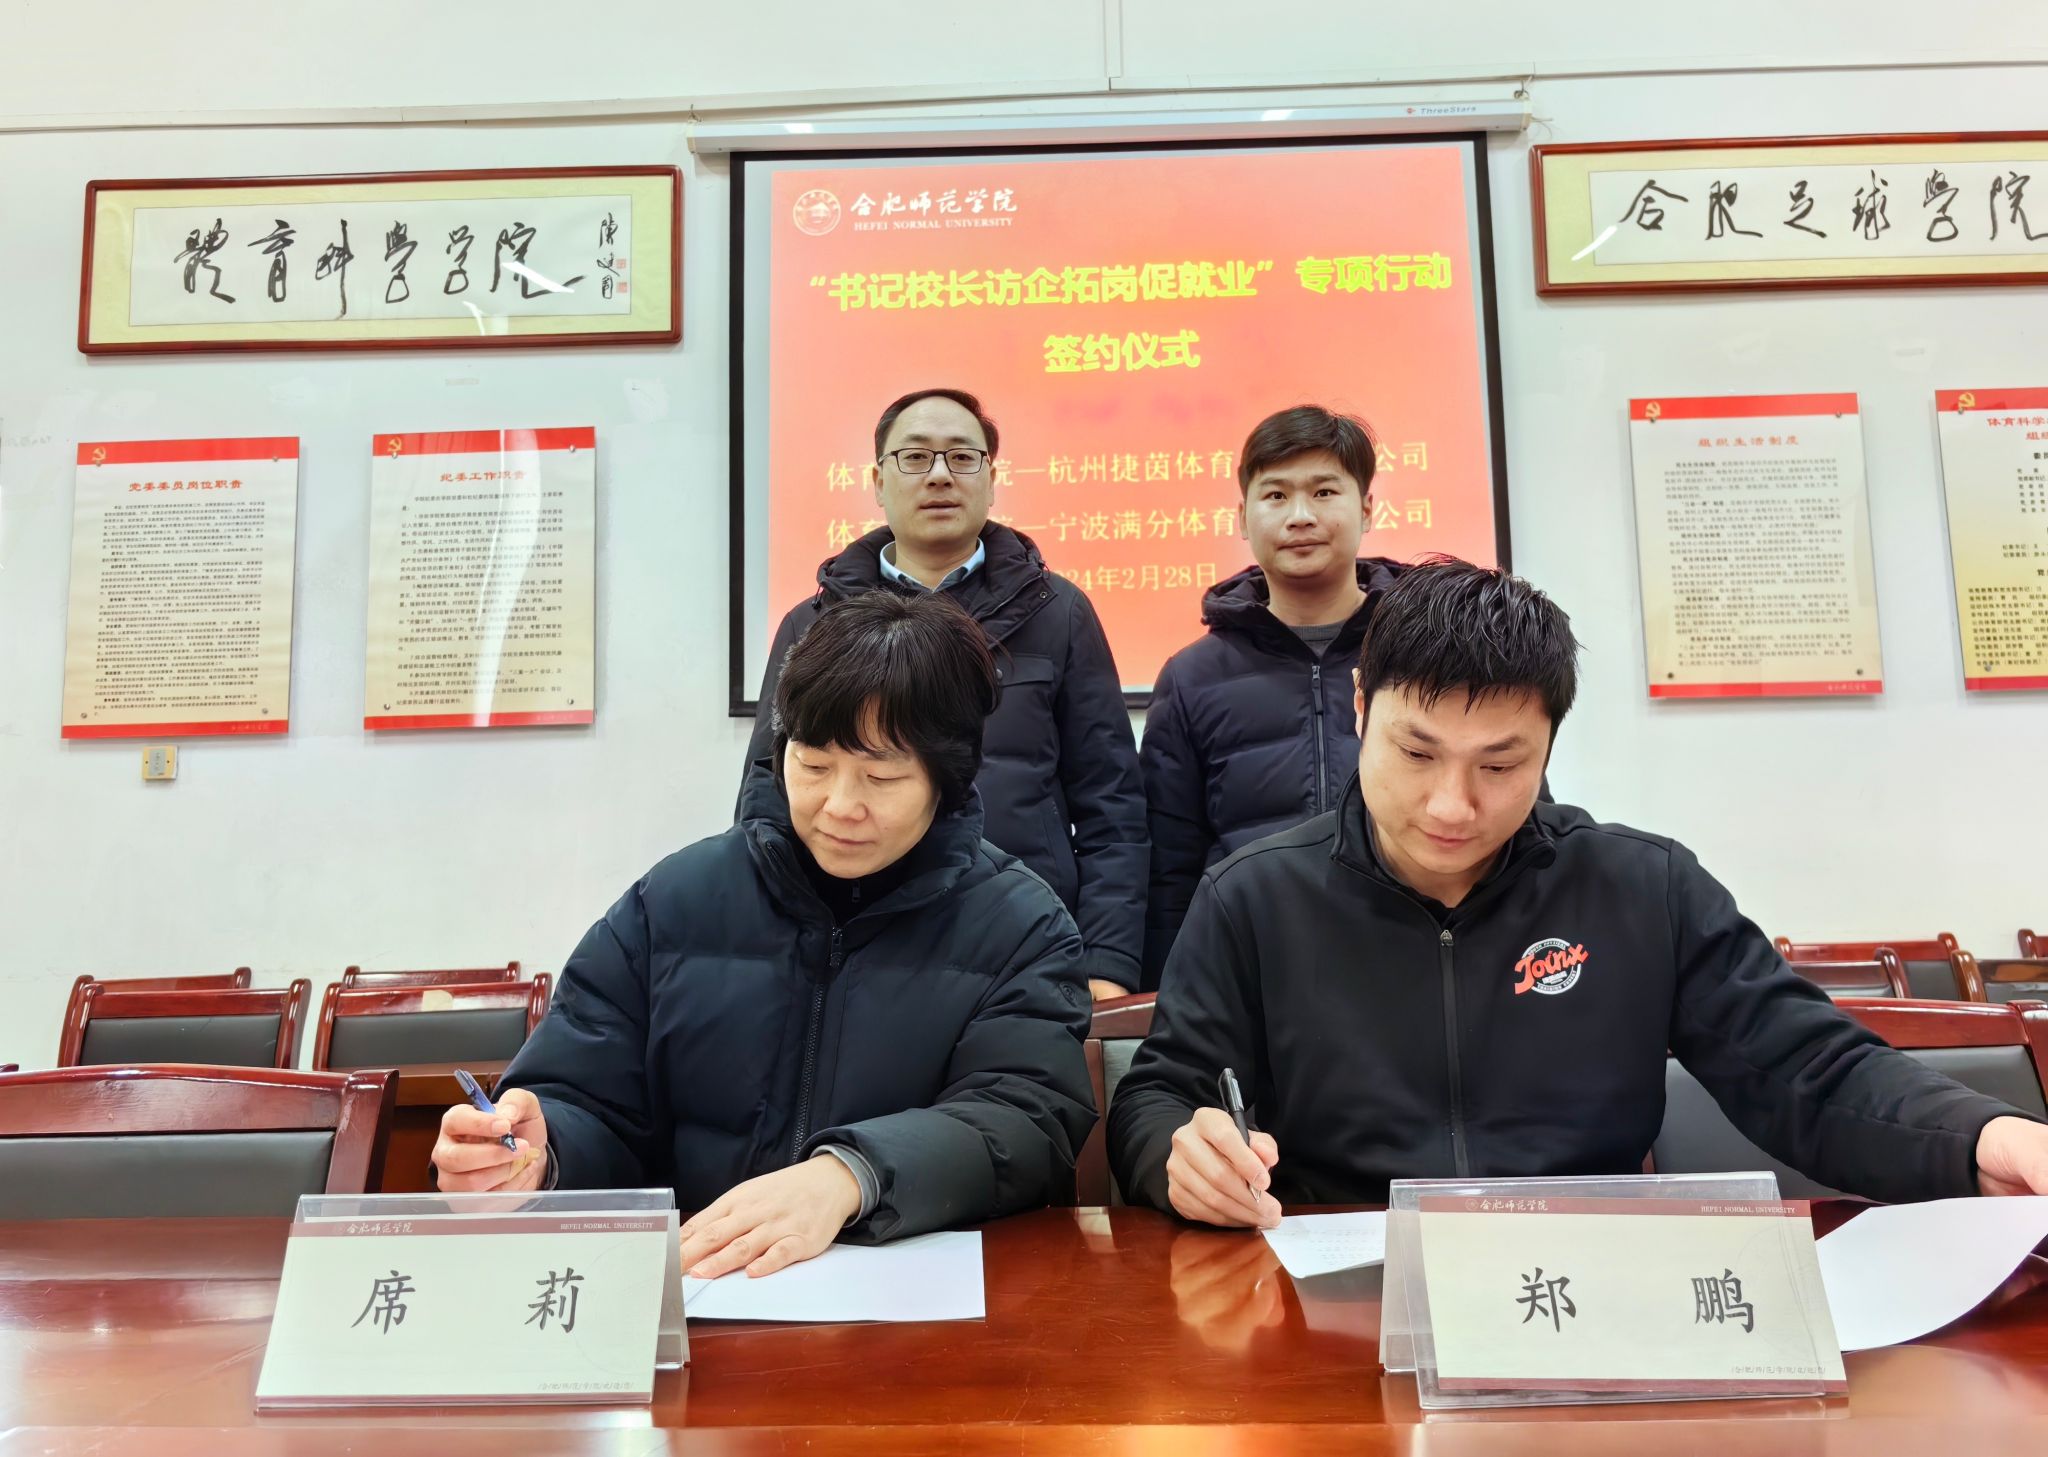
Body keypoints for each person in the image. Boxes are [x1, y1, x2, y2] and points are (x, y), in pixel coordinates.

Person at [1109, 560, 2048, 1225]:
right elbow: (1161, 1094)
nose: (1452, 805)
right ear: (1360, 709)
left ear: (1551, 743)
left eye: (1500, 764)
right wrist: (1179, 1156)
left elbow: (1809, 1069)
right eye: (1417, 752)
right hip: (1339, 1298)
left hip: (1592, 1291)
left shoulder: (1642, 888)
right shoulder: (1254, 897)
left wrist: (1985, 1136)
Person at [436, 591, 1096, 1280]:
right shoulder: (674, 903)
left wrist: (853, 1176)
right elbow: (585, 1096)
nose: (840, 805)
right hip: (701, 1302)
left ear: (947, 780)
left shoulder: (1020, 925)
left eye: (881, 776)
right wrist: (539, 1155)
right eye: (813, 765)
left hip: (916, 1316)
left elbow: (1026, 1117)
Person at [739, 388, 1147, 1001]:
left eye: (962, 457)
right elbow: (766, 793)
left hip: (1021, 935)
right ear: (878, 481)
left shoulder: (1059, 612)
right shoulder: (814, 622)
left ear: (992, 479)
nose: (939, 476)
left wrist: (1107, 963)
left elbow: (1111, 802)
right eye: (915, 457)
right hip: (856, 937)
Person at [1140, 405, 1407, 987]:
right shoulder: (1191, 677)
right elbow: (1169, 865)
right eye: (1276, 495)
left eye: (1324, 492)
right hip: (1250, 971)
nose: (1300, 516)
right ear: (1242, 517)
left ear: (1367, 508)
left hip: (1408, 955)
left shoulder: (1428, 654)